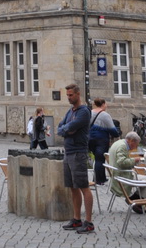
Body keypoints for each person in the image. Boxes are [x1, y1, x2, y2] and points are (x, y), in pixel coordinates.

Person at [57, 83, 93, 234]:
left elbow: (71, 127)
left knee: (84, 186)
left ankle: (89, 221)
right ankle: (76, 218)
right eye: (67, 95)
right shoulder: (70, 111)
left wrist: (67, 128)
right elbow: (60, 128)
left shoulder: (83, 111)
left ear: (78, 94)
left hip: (78, 152)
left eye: (71, 95)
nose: (68, 97)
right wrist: (66, 129)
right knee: (73, 187)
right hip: (68, 152)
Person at [88, 98, 119, 185]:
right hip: (101, 139)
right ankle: (98, 180)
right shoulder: (105, 115)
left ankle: (101, 178)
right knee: (100, 159)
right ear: (103, 104)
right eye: (106, 104)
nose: (106, 106)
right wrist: (117, 133)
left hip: (90, 138)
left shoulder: (90, 113)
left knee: (98, 158)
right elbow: (112, 129)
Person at [108, 131, 143, 205]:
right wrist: (134, 160)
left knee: (145, 181)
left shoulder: (118, 142)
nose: (136, 147)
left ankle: (138, 201)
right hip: (121, 175)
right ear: (131, 141)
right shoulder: (122, 146)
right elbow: (122, 162)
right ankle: (136, 202)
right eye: (136, 145)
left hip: (116, 173)